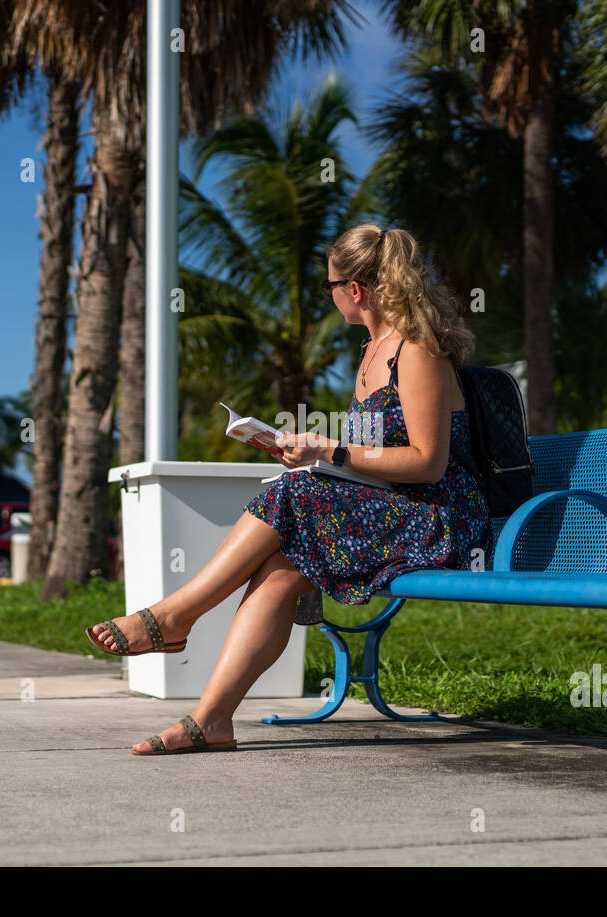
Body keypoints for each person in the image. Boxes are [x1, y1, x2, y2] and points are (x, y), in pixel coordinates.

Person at [84, 224, 493, 754]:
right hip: (392, 510)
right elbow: (376, 460)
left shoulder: (416, 351)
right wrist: (307, 455)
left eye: (330, 285)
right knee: (279, 571)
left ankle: (173, 617)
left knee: (292, 496)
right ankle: (211, 720)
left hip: (441, 519)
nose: (330, 295)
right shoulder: (372, 353)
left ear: (357, 289)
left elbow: (428, 464)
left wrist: (330, 453)